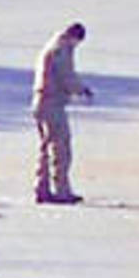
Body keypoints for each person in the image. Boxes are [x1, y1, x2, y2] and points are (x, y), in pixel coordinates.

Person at [31, 22, 93, 204]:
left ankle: (41, 189)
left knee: (46, 147)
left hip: (42, 102)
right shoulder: (61, 50)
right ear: (74, 37)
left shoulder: (55, 45)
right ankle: (61, 191)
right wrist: (82, 90)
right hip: (51, 103)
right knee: (60, 148)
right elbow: (66, 76)